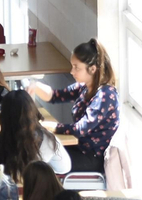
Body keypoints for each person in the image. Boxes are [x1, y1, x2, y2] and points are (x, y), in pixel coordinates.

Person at [25, 38, 120, 174]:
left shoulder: (105, 96)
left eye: (77, 67)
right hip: (77, 149)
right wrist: (35, 85)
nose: (72, 71)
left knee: (39, 161)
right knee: (36, 151)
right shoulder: (85, 87)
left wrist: (54, 127)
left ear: (92, 69)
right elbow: (55, 96)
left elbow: (81, 129)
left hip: (90, 158)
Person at [0, 89, 71, 178]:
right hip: (36, 195)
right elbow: (64, 168)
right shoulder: (48, 140)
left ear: (3, 116)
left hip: (0, 194)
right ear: (33, 112)